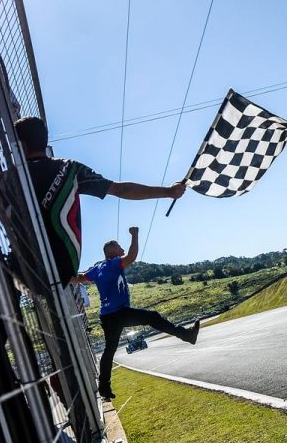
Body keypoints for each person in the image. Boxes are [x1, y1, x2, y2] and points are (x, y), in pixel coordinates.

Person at [12, 116, 186, 287]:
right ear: (45, 140)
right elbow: (120, 189)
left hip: (26, 268)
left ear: (20, 145)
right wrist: (169, 192)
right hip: (62, 269)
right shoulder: (69, 168)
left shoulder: (9, 179)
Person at [74, 227, 200, 399]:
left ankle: (104, 387)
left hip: (107, 316)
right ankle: (186, 335)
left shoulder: (97, 268)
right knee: (152, 317)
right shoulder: (112, 263)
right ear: (111, 250)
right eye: (119, 247)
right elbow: (132, 257)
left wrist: (62, 276)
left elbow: (80, 278)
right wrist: (134, 235)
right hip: (119, 313)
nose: (122, 249)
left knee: (109, 350)